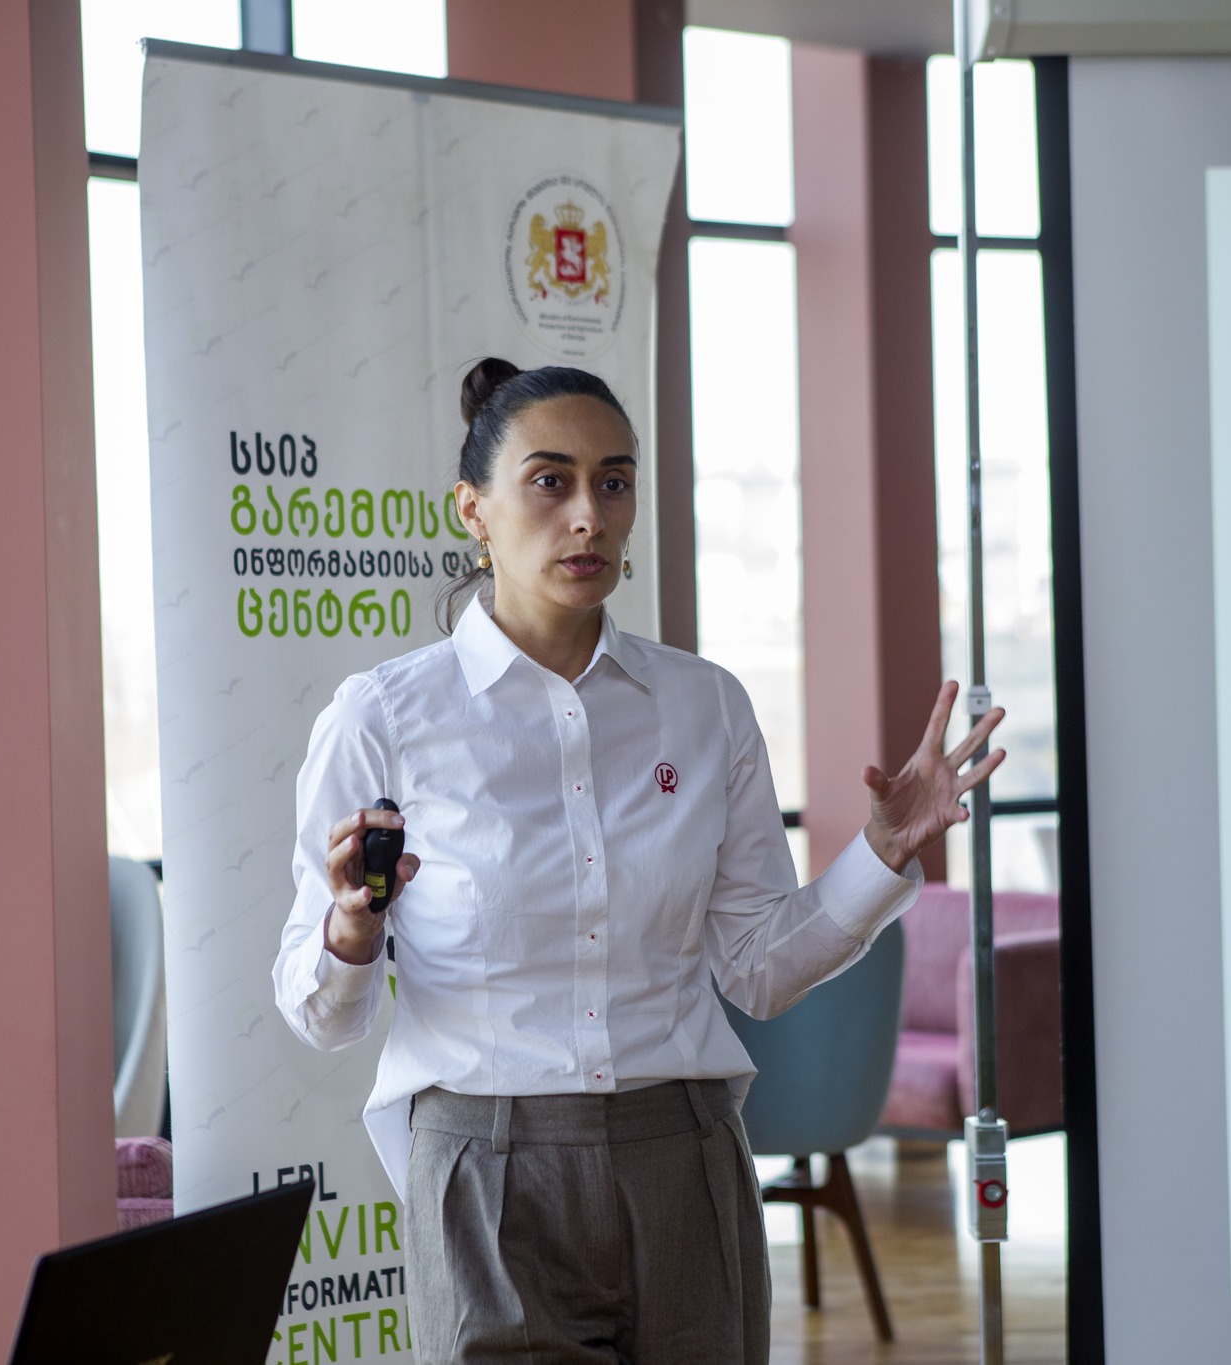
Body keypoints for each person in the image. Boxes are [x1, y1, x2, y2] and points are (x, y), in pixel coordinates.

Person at [273, 358, 1005, 1363]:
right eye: (550, 481)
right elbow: (316, 1012)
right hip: (487, 1174)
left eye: (613, 482)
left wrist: (880, 853)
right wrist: (352, 928)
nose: (589, 516)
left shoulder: (705, 706)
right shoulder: (385, 717)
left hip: (685, 1161)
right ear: (472, 511)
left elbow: (758, 967)